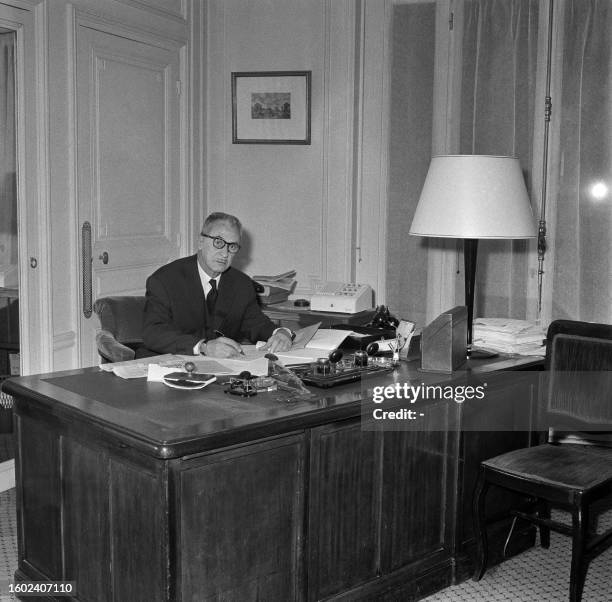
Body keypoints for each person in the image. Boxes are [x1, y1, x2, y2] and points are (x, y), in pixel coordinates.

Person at [140, 212, 293, 358]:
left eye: (232, 246)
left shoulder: (241, 284)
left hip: (221, 372)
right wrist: (203, 347)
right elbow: (153, 333)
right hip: (171, 366)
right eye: (218, 242)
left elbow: (257, 324)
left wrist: (282, 333)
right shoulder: (165, 280)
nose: (225, 253)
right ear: (201, 242)